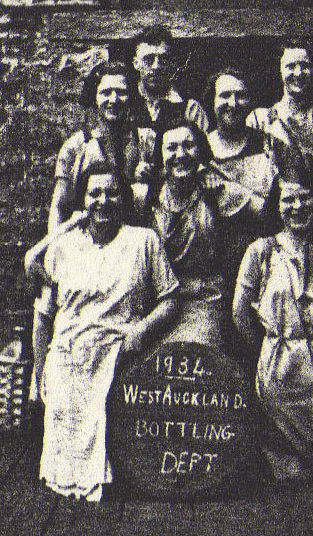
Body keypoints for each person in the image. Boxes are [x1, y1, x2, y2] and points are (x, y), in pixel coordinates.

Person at [30, 164, 178, 501]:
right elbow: (44, 316)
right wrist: (39, 374)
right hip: (69, 350)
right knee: (65, 390)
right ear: (83, 200)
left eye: (112, 192)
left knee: (110, 398)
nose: (103, 200)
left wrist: (142, 329)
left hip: (120, 349)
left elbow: (170, 299)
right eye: (95, 193)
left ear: (123, 199)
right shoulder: (64, 247)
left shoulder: (144, 241)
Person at [232, 172, 313, 480]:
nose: (298, 206)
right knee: (292, 476)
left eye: (305, 198)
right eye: (289, 199)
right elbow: (240, 313)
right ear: (276, 206)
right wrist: (274, 345)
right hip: (281, 368)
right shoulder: (261, 252)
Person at [149, 119, 250, 353]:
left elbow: (266, 213)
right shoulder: (147, 197)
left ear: (201, 151)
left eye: (188, 146)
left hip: (203, 301)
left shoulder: (216, 192)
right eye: (171, 148)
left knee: (197, 357)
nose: (180, 154)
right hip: (156, 303)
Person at [49, 61, 149, 232]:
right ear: (95, 97)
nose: (114, 100)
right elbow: (59, 206)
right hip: (89, 240)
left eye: (121, 92)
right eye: (106, 92)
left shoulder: (146, 140)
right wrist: (54, 251)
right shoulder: (76, 146)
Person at [205, 68, 280, 296]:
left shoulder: (269, 145)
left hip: (264, 262)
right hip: (216, 270)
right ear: (212, 100)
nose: (234, 103)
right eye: (225, 95)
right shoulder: (199, 149)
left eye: (241, 95)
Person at [247, 43, 313, 175]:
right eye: (291, 66)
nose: (298, 73)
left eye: (305, 66)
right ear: (281, 70)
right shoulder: (260, 120)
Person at [132, 25, 208, 178]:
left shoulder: (189, 108)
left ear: (172, 63)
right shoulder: (126, 103)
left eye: (163, 59)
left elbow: (203, 162)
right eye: (149, 59)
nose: (157, 66)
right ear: (136, 63)